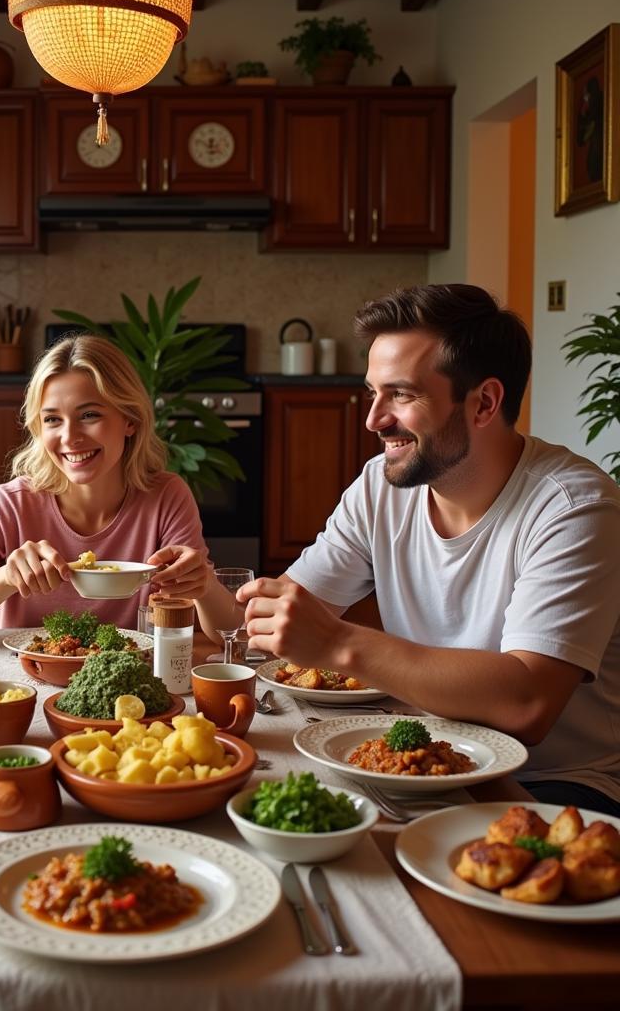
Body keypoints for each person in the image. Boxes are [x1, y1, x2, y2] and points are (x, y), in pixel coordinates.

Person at [240, 284, 620, 815]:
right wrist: (231, 602)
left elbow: (528, 702)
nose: (373, 419)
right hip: (421, 754)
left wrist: (340, 645)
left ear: (484, 402)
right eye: (373, 392)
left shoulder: (572, 506)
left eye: (401, 394)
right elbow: (290, 619)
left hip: (554, 787)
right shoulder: (381, 486)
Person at [0, 334, 236, 641]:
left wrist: (204, 585)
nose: (69, 437)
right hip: (19, 691)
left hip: (125, 693)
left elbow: (231, 633)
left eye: (89, 415)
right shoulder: (9, 504)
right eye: (52, 419)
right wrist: (6, 578)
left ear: (130, 420)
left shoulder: (166, 496)